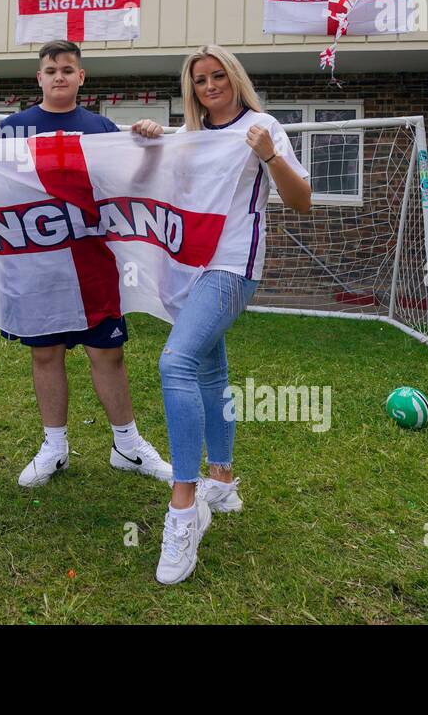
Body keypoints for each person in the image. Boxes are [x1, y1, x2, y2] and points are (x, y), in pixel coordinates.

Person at [134, 45, 312, 585]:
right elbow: (157, 186)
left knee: (176, 364)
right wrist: (146, 142)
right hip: (187, 265)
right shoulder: (188, 134)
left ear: (235, 79)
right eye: (200, 80)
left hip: (233, 267)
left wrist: (270, 156)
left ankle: (185, 507)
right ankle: (223, 480)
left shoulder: (263, 126)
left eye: (218, 76)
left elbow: (302, 201)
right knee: (209, 369)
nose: (211, 86)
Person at [0, 40, 172, 488]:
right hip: (36, 263)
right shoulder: (13, 128)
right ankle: (55, 447)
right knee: (45, 352)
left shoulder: (101, 126)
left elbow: (125, 185)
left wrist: (148, 145)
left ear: (81, 77)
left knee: (107, 353)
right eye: (51, 69)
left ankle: (127, 446)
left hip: (92, 260)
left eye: (68, 69)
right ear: (39, 78)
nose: (59, 76)